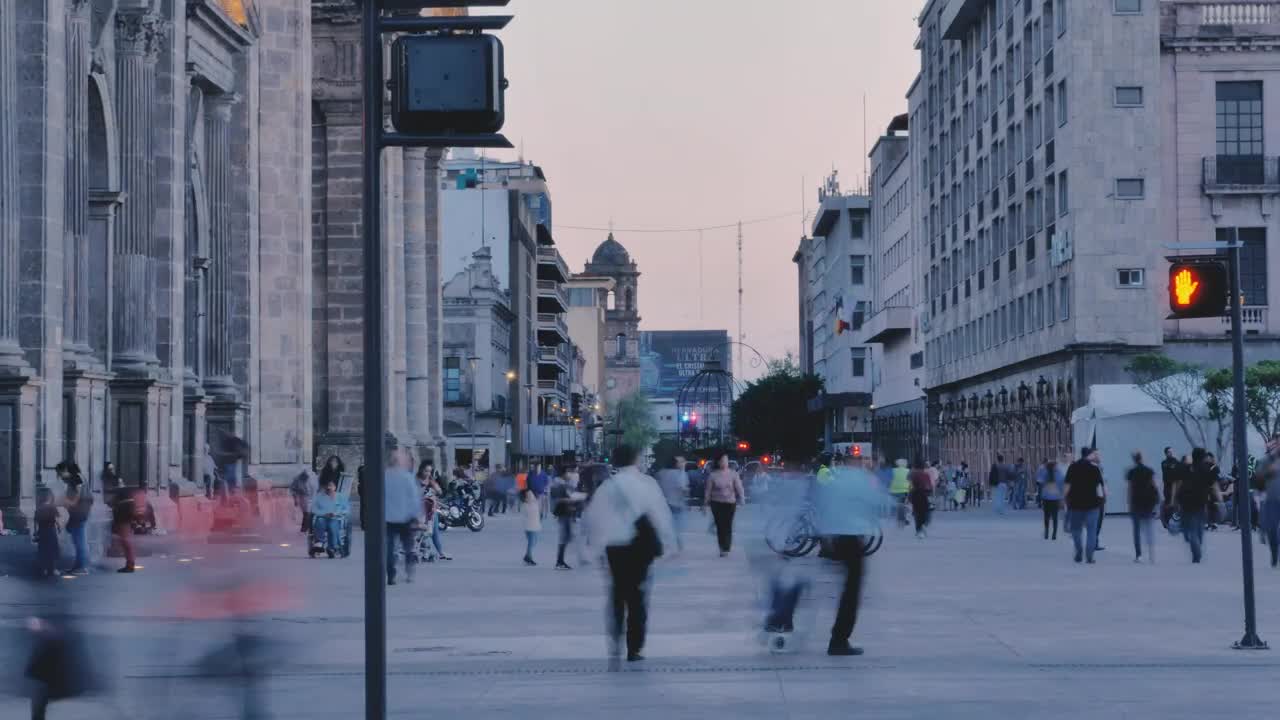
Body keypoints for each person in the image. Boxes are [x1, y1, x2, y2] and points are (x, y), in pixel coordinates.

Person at [584, 444, 676, 663]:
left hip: (615, 547)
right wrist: (670, 543)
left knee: (617, 594)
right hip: (640, 548)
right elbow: (660, 515)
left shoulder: (607, 486)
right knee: (638, 597)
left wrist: (593, 549)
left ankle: (615, 639)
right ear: (635, 459)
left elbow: (594, 518)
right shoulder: (647, 484)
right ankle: (634, 648)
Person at [812, 460, 881, 656]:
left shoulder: (836, 477)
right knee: (852, 589)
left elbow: (823, 503)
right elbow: (876, 501)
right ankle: (839, 639)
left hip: (836, 536)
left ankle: (838, 637)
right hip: (851, 538)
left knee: (847, 588)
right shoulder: (859, 479)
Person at [1172, 448, 1223, 564]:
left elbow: (1178, 484)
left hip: (1186, 502)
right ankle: (1197, 546)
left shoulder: (1185, 468)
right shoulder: (1206, 469)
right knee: (1198, 526)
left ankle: (1195, 548)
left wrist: (1174, 500)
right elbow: (1214, 485)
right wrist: (1220, 501)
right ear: (1202, 457)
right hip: (1201, 502)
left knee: (1190, 529)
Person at [384, 448, 422, 585]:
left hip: (388, 518)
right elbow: (414, 499)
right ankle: (409, 571)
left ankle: (391, 574)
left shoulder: (384, 476)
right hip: (406, 518)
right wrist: (416, 516)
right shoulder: (407, 477)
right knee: (408, 547)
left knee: (389, 548)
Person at [1064, 447, 1105, 564]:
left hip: (1075, 504)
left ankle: (1078, 551)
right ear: (1089, 455)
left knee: (1076, 530)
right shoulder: (1094, 469)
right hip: (1092, 504)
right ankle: (1089, 556)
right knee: (1091, 531)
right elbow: (1100, 487)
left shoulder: (1072, 467)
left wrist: (1064, 499)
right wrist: (1102, 499)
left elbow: (1067, 486)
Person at [703, 451, 745, 556]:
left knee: (728, 525)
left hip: (730, 503)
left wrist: (742, 498)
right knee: (720, 525)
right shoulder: (713, 475)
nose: (724, 462)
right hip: (716, 503)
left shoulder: (733, 474)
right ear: (718, 462)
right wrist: (705, 503)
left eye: (726, 460)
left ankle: (727, 546)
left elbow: (739, 487)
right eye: (722, 460)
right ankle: (722, 547)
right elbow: (708, 490)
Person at [1127, 451, 1159, 563]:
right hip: (1148, 503)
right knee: (1149, 528)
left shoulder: (1131, 472)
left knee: (1136, 530)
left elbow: (1129, 489)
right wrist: (1157, 501)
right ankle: (1151, 552)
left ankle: (1139, 555)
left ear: (1134, 459)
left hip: (1136, 503)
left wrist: (1129, 503)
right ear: (1142, 458)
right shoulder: (1149, 471)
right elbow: (1154, 486)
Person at [551, 466, 586, 570]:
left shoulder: (562, 484)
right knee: (565, 537)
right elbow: (557, 499)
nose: (569, 475)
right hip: (563, 513)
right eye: (568, 473)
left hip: (566, 513)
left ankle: (561, 561)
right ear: (563, 474)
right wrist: (571, 500)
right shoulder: (559, 485)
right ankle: (560, 561)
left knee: (566, 537)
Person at [417, 460, 451, 562]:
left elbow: (440, 491)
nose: (428, 473)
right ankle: (424, 552)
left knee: (434, 532)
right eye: (426, 471)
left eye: (429, 471)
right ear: (421, 470)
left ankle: (440, 552)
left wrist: (436, 489)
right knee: (423, 533)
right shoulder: (416, 481)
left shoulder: (431, 480)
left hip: (432, 510)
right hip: (421, 511)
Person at [1254, 433, 1280, 568]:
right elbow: (1258, 478)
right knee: (1272, 530)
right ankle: (1275, 553)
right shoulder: (1267, 460)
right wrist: (1269, 472)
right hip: (1272, 499)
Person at [655, 455, 689, 551]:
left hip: (665, 503)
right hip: (677, 503)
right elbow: (682, 488)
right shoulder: (679, 474)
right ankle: (676, 543)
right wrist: (686, 492)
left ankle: (666, 542)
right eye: (681, 462)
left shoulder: (662, 473)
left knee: (667, 524)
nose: (682, 464)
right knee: (677, 526)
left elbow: (658, 487)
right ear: (676, 463)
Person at [64, 486, 92, 575]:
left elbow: (74, 503)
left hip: (78, 517)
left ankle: (81, 567)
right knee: (79, 543)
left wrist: (68, 503)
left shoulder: (77, 485)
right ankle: (78, 566)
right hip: (79, 517)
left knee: (80, 543)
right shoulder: (84, 490)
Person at [311, 480, 343, 558]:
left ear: (335, 487)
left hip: (335, 518)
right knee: (320, 521)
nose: (329, 488)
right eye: (328, 486)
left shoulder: (340, 497)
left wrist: (335, 513)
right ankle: (319, 542)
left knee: (332, 527)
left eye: (331, 486)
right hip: (323, 517)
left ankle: (331, 547)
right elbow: (314, 509)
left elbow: (344, 509)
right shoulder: (319, 497)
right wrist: (323, 514)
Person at [110, 487, 138, 573]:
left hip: (123, 512)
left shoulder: (119, 490)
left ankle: (130, 564)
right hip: (125, 510)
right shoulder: (124, 489)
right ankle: (130, 563)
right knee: (125, 540)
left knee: (125, 540)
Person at [33, 490, 60, 578]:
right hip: (51, 531)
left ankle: (43, 569)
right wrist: (59, 527)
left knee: (42, 550)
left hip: (42, 531)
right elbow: (57, 519)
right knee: (52, 550)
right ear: (50, 498)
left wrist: (36, 533)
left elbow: (36, 522)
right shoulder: (52, 507)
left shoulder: (38, 509)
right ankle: (52, 569)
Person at [1039, 458, 1064, 540]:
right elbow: (1062, 485)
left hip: (1046, 497)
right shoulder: (1059, 473)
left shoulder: (1044, 473)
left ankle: (1046, 532)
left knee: (1046, 516)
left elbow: (1040, 482)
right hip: (1056, 497)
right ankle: (1054, 534)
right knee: (1055, 517)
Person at [907, 458, 933, 538]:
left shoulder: (912, 474)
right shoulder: (925, 474)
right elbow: (929, 485)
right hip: (924, 494)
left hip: (915, 494)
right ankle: (923, 525)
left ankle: (918, 530)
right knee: (925, 511)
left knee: (917, 513)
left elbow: (909, 482)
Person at [289, 465, 318, 534]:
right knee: (306, 513)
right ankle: (304, 530)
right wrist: (295, 498)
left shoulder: (313, 477)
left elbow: (316, 487)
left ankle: (309, 529)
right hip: (304, 497)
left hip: (313, 496)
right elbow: (293, 489)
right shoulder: (297, 479)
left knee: (311, 514)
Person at [1160, 447, 1181, 529]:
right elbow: (1167, 473)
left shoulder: (1176, 462)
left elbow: (1177, 473)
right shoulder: (1164, 463)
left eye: (1171, 452)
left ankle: (1175, 521)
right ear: (1166, 453)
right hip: (1167, 486)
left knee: (1175, 503)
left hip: (1175, 485)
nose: (1171, 453)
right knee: (1167, 503)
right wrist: (1172, 469)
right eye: (1169, 452)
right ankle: (1166, 521)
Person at [522, 484, 542, 566]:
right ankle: (528, 557)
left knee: (534, 542)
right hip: (530, 527)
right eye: (528, 496)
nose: (530, 496)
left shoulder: (534, 503)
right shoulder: (526, 505)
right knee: (531, 542)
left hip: (534, 526)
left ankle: (527, 555)